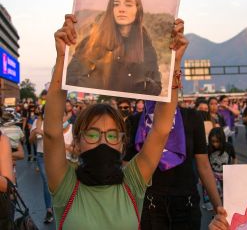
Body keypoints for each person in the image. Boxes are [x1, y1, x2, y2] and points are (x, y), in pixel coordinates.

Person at [43, 14, 186, 229]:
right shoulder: (66, 183)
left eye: (111, 135)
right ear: (77, 142)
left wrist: (174, 61)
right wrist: (63, 59)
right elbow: (52, 133)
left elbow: (162, 130)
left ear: (121, 142)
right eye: (92, 134)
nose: (103, 142)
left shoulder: (132, 182)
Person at [124, 100, 223, 229]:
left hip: (186, 205)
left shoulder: (193, 117)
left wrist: (219, 208)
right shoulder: (135, 121)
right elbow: (127, 168)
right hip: (149, 206)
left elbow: (203, 165)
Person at [66, 0, 162, 95]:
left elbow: (157, 87)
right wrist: (98, 84)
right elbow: (70, 78)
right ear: (110, 10)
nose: (121, 9)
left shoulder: (146, 47)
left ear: (137, 10)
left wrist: (140, 84)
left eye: (128, 5)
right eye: (116, 5)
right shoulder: (91, 42)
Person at [29, 106, 55, 224]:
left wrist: (43, 133)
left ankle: (57, 206)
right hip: (41, 155)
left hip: (55, 156)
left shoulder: (56, 122)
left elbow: (57, 140)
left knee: (56, 183)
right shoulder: (37, 122)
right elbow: (30, 140)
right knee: (46, 181)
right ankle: (49, 210)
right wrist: (34, 132)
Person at [203, 127, 236, 210]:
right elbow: (204, 163)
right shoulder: (208, 148)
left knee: (226, 195)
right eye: (213, 141)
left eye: (217, 142)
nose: (215, 144)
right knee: (214, 195)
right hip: (213, 175)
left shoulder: (229, 146)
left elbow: (234, 158)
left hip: (226, 174)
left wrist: (233, 169)